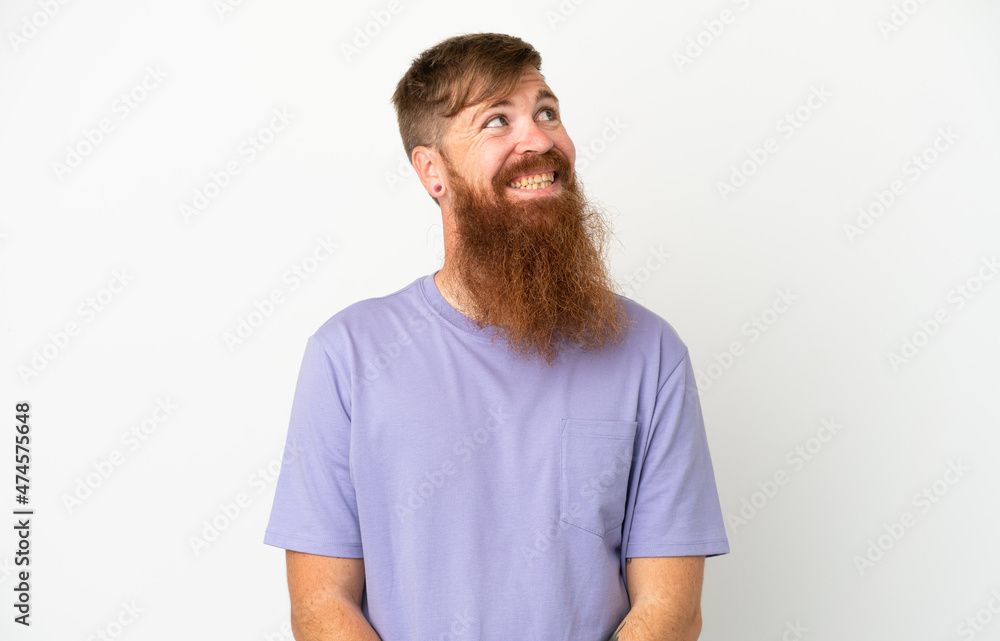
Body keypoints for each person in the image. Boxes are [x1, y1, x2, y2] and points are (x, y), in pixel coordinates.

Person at [263, 32, 729, 641]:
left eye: (546, 112)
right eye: (496, 122)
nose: (538, 139)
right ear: (433, 171)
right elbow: (323, 604)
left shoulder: (651, 354)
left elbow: (670, 611)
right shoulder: (347, 355)